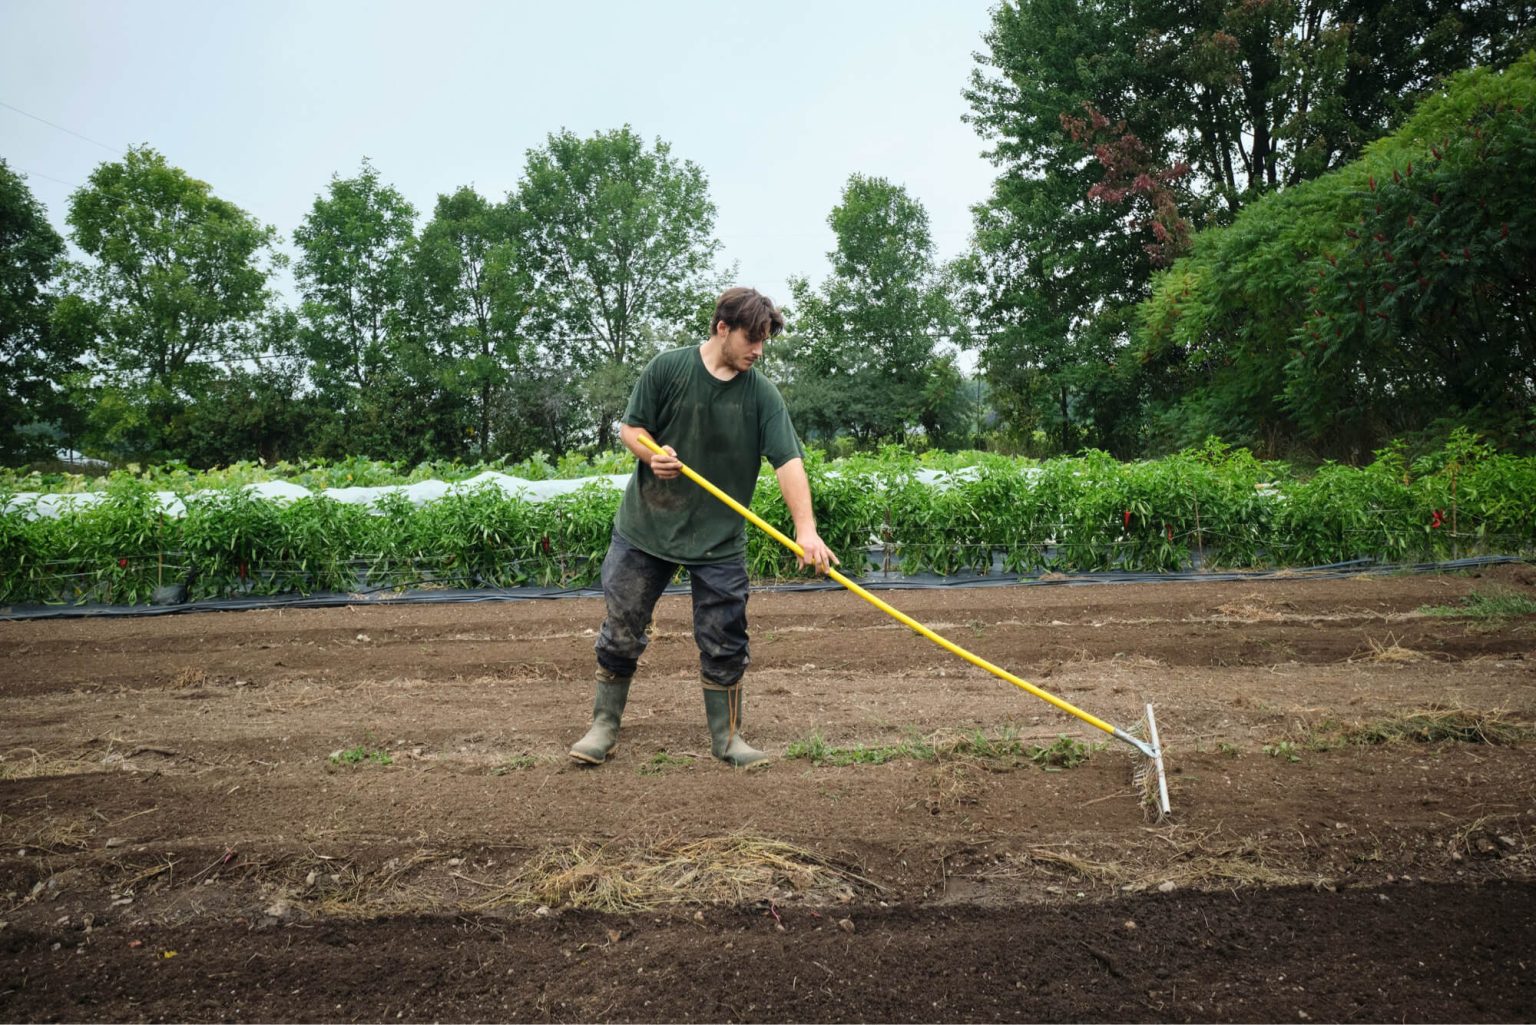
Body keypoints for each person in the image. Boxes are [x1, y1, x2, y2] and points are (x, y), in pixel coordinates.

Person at [570, 287, 838, 767]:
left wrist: (807, 530)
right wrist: (651, 455)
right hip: (647, 527)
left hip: (718, 539)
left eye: (764, 341)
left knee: (724, 635)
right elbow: (631, 429)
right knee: (623, 627)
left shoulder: (761, 395)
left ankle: (728, 738)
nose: (758, 350)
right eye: (751, 339)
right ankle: (603, 727)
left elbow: (788, 461)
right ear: (722, 328)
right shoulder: (668, 369)